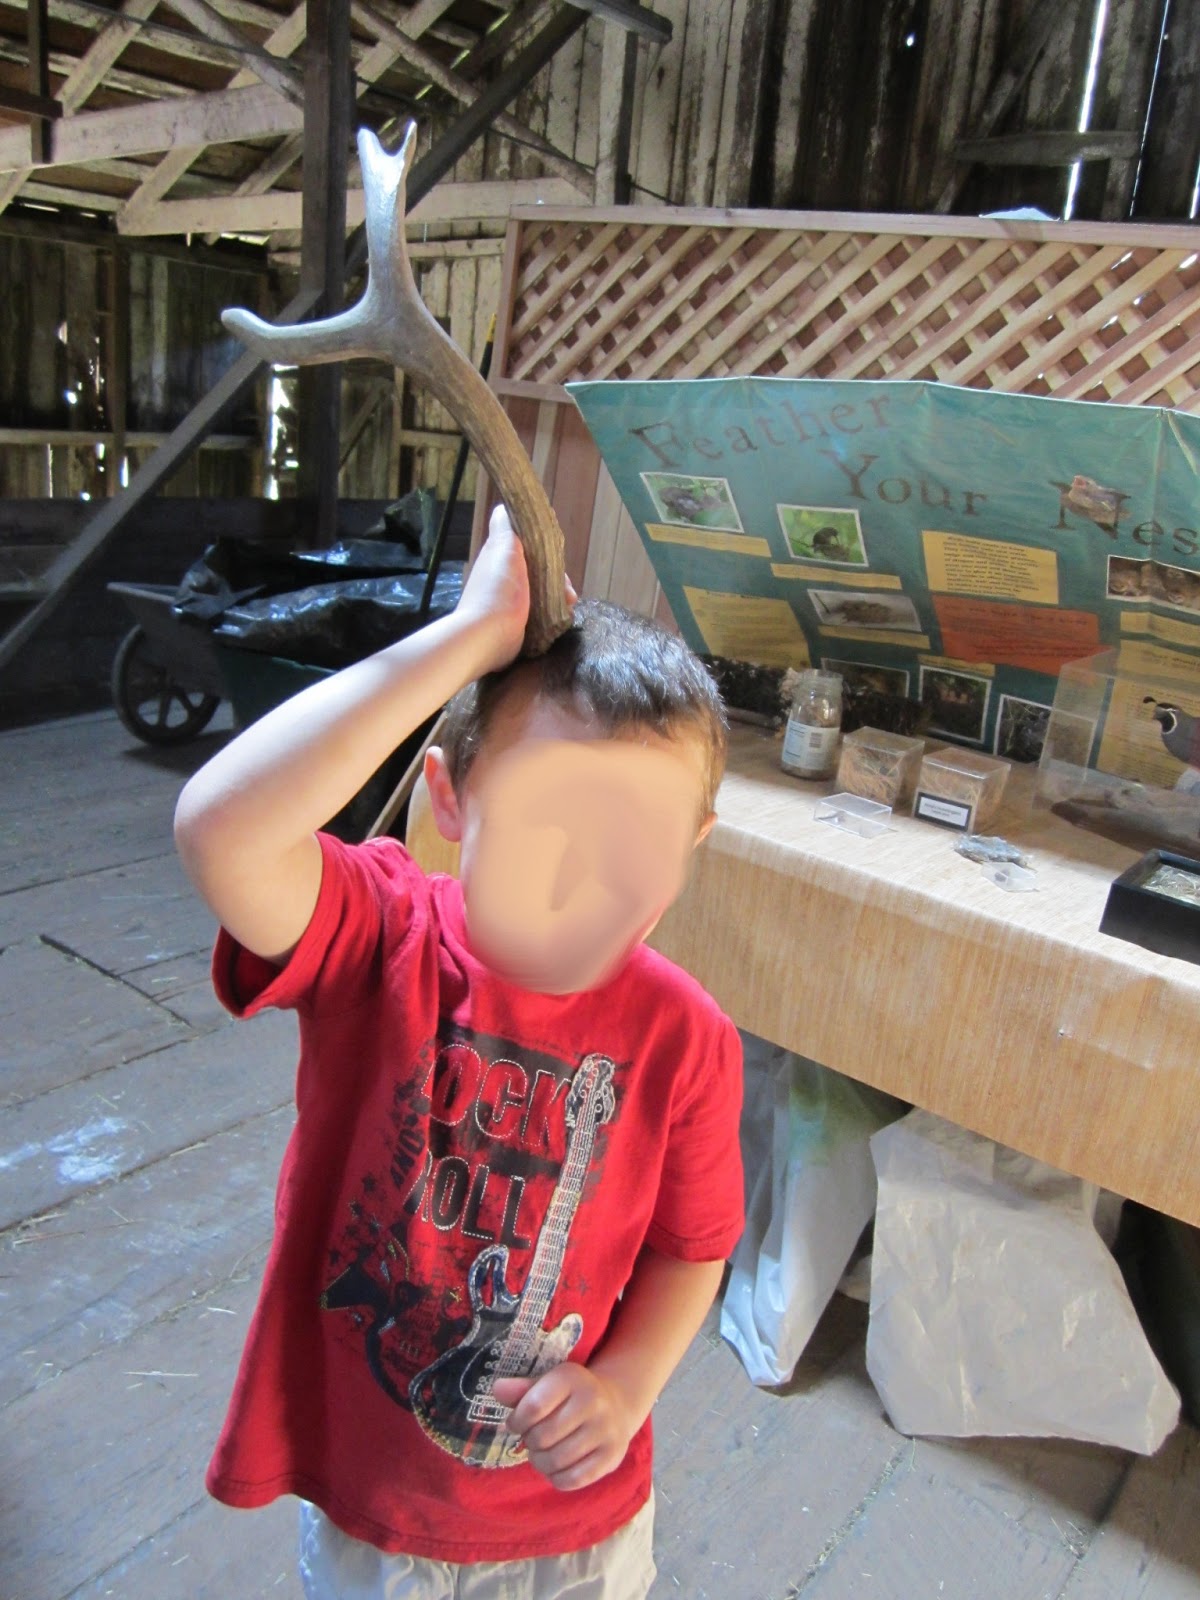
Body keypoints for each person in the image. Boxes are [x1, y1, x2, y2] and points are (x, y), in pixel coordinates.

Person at [174, 504, 745, 1599]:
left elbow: (693, 1248)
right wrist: (467, 640)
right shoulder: (380, 937)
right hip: (380, 1503)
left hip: (574, 1520)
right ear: (450, 799)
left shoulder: (688, 1039)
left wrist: (625, 1387)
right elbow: (221, 830)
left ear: (694, 845)